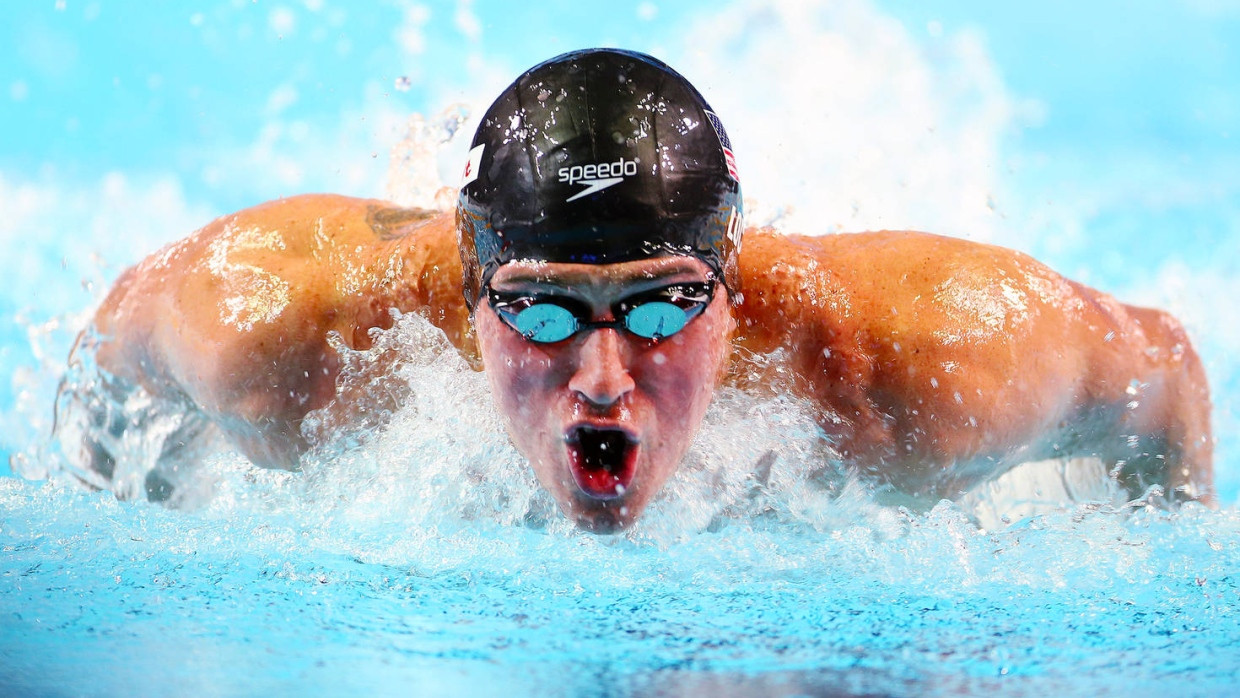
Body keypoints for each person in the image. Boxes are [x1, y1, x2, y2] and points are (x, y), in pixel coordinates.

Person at [54, 48, 1214, 532]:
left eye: (662, 305)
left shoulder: (924, 363)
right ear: (466, 295)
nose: (603, 375)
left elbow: (1161, 372)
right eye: (540, 307)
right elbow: (113, 348)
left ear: (733, 283)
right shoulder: (281, 332)